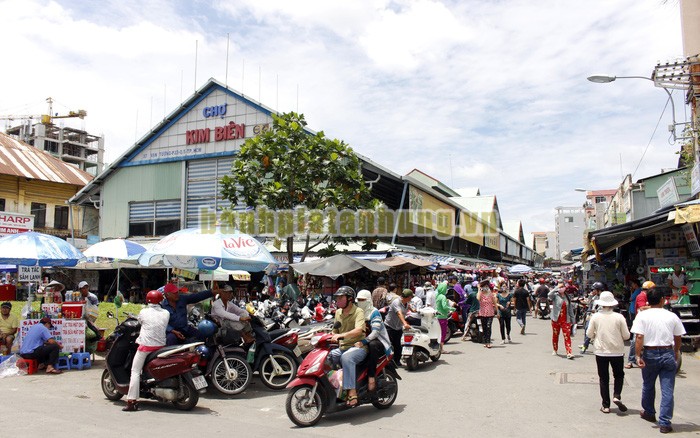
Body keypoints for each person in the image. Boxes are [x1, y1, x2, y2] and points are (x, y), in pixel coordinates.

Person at [631, 287, 686, 434]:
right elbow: (678, 337)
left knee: (648, 384)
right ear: (663, 300)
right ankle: (665, 422)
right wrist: (676, 351)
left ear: (648, 301)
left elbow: (639, 337)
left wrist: (637, 356)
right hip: (668, 352)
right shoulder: (672, 316)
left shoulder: (642, 316)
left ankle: (649, 412)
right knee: (667, 389)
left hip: (650, 353)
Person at [122, 290, 170, 412]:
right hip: (160, 347)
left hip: (145, 347)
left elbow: (139, 322)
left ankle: (132, 401)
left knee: (135, 371)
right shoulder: (166, 313)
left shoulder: (144, 312)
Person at [585, 291, 631, 414]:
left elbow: (589, 334)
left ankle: (605, 405)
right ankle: (617, 395)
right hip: (617, 351)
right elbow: (626, 336)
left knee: (603, 378)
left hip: (601, 351)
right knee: (619, 375)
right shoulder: (619, 317)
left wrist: (596, 335)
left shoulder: (596, 317)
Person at [329, 286, 367, 407]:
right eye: (337, 298)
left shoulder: (358, 311)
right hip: (342, 347)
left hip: (358, 347)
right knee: (328, 356)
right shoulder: (338, 312)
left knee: (346, 357)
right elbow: (335, 330)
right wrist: (330, 335)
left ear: (350, 299)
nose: (338, 300)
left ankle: (352, 391)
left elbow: (359, 330)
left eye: (341, 298)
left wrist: (342, 335)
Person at [354, 289, 392, 392]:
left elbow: (375, 333)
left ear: (368, 300)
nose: (360, 302)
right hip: (362, 340)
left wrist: (363, 342)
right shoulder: (357, 312)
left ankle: (371, 376)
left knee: (372, 345)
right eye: (359, 300)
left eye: (363, 300)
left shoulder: (374, 312)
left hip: (379, 340)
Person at [384, 289, 413, 365]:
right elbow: (399, 313)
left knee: (398, 345)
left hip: (398, 327)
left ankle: (397, 361)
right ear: (408, 297)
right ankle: (388, 362)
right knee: (389, 344)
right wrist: (405, 324)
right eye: (411, 297)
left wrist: (416, 311)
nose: (411, 298)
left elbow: (410, 309)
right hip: (389, 326)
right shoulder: (396, 302)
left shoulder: (406, 303)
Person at [549, 282, 576, 359]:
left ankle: (569, 352)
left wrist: (573, 320)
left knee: (567, 336)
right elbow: (549, 294)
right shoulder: (555, 295)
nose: (561, 288)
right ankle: (555, 349)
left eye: (562, 287)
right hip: (556, 319)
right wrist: (556, 288)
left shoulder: (567, 297)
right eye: (560, 287)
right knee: (555, 335)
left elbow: (570, 309)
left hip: (565, 320)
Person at [580, 281, 604, 353]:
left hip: (600, 316)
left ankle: (585, 345)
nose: (593, 291)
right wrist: (590, 296)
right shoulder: (595, 296)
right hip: (592, 316)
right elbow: (588, 302)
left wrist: (595, 310)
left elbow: (602, 308)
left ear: (598, 290)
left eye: (594, 289)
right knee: (587, 329)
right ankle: (585, 344)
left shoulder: (603, 297)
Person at [626, 278, 643, 369]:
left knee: (634, 338)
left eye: (632, 284)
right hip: (635, 312)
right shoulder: (638, 292)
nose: (631, 286)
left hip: (636, 314)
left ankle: (632, 359)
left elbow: (631, 298)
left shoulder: (638, 291)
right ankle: (632, 359)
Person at [477, 280, 499, 349]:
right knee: (484, 328)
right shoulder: (480, 294)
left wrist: (498, 312)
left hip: (490, 313)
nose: (486, 287)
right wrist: (479, 289)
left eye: (487, 286)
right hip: (482, 313)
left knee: (488, 327)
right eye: (484, 286)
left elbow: (495, 303)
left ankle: (488, 342)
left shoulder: (491, 294)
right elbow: (478, 298)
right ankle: (485, 341)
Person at [435, 282, 455, 353]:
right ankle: (441, 349)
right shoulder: (443, 297)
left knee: (438, 333)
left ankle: (438, 348)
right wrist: (452, 309)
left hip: (437, 316)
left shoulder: (437, 296)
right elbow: (445, 307)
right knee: (442, 333)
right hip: (442, 317)